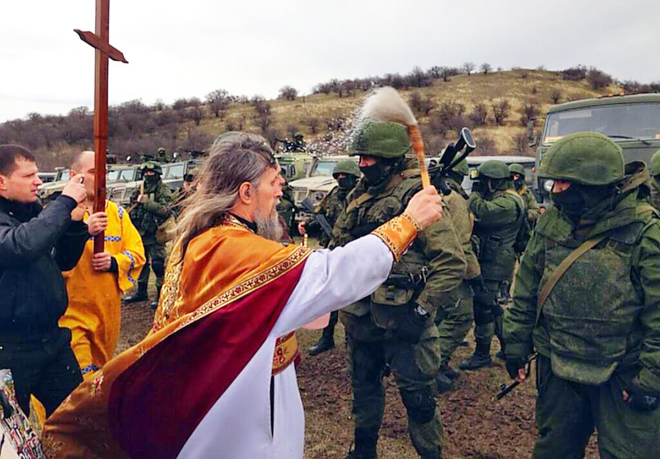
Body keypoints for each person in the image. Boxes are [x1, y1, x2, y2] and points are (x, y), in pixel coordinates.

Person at [41, 132, 443, 459]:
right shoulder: (230, 247)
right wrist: (408, 222)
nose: (280, 192)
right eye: (273, 183)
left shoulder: (208, 236)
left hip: (217, 387)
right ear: (246, 192)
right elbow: (330, 275)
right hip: (236, 405)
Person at [504, 132, 660, 458]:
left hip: (623, 369)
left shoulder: (645, 231)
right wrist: (516, 344)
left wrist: (652, 377)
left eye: (564, 184)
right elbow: (527, 290)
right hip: (558, 363)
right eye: (553, 183)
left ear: (593, 187)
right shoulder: (552, 224)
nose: (555, 191)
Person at [333, 120, 466, 459]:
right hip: (361, 320)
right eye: (360, 157)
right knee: (364, 392)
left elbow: (451, 262)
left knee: (419, 400)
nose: (363, 164)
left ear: (391, 159)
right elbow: (340, 245)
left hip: (405, 321)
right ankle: (363, 450)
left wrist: (421, 313)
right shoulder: (357, 195)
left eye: (371, 158)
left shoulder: (416, 197)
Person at [0, 144, 90, 417]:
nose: (38, 181)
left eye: (37, 174)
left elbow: (63, 261)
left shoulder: (32, 212)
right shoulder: (22, 223)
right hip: (8, 351)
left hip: (51, 340)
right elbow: (20, 246)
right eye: (28, 176)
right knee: (14, 434)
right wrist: (63, 204)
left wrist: (74, 225)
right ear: (2, 182)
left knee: (75, 422)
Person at [60, 151, 146, 376]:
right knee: (76, 385)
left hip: (106, 315)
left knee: (99, 381)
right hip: (71, 316)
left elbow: (138, 253)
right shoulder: (59, 214)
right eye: (93, 172)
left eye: (104, 173)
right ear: (73, 175)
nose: (101, 179)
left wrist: (114, 262)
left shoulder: (116, 213)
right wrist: (81, 232)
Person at [431, 154, 493, 392]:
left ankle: (438, 361)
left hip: (435, 266)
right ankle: (431, 367)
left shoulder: (434, 195)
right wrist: (475, 276)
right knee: (460, 318)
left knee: (440, 316)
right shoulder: (455, 199)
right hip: (451, 268)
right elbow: (460, 243)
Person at [460, 160, 524, 371]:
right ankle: (509, 347)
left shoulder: (508, 203)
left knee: (483, 308)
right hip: (493, 259)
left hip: (496, 262)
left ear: (493, 183)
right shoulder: (506, 198)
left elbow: (482, 211)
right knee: (492, 306)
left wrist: (474, 193)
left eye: (484, 182)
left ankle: (482, 353)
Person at [299, 159, 361, 356]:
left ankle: (354, 340)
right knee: (331, 296)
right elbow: (319, 213)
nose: (342, 180)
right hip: (332, 251)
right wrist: (308, 224)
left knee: (354, 298)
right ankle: (327, 337)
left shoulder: (360, 195)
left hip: (354, 252)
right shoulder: (334, 194)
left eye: (346, 177)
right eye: (339, 176)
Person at [124, 161, 173, 308]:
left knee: (158, 264)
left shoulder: (162, 189)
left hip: (155, 232)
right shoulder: (140, 187)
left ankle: (161, 295)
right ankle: (141, 292)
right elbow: (132, 204)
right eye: (145, 173)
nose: (147, 175)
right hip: (140, 231)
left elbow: (167, 210)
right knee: (142, 263)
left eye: (151, 173)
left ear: (157, 174)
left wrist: (147, 203)